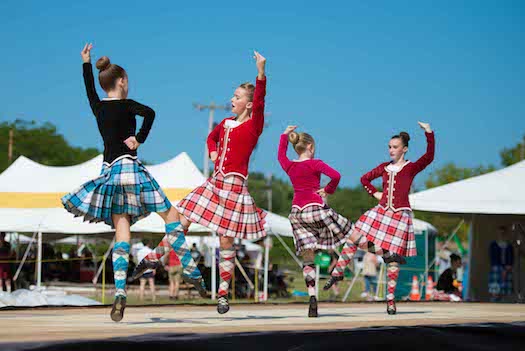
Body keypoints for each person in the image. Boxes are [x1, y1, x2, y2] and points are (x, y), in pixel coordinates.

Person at [61, 44, 205, 322]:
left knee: (122, 232)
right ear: (123, 82)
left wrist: (86, 63)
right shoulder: (128, 104)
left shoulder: (98, 107)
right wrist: (140, 138)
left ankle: (119, 292)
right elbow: (150, 112)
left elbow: (89, 89)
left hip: (110, 173)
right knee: (171, 214)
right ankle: (189, 268)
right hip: (131, 168)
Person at [135, 51, 268, 314]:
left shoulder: (254, 125)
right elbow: (211, 137)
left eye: (238, 97)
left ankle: (222, 295)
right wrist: (213, 151)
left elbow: (262, 99)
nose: (232, 99)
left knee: (226, 241)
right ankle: (153, 258)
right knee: (180, 217)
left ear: (249, 105)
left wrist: (261, 72)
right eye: (233, 96)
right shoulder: (226, 123)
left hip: (234, 186)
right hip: (214, 182)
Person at [324, 122, 435, 315]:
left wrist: (429, 133)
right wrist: (375, 193)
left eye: (395, 147)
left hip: (400, 214)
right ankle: (338, 272)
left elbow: (429, 157)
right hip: (381, 211)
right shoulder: (384, 167)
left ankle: (390, 301)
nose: (391, 150)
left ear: (405, 149)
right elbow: (364, 179)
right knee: (354, 237)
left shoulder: (410, 168)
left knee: (392, 261)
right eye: (389, 147)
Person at [278, 125, 352, 317]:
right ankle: (384, 254)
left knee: (308, 257)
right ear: (310, 146)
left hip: (297, 213)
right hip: (315, 209)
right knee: (350, 232)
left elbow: (280, 156)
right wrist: (328, 190)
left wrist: (284, 135)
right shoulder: (315, 163)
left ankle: (312, 297)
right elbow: (336, 176)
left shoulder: (290, 165)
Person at [489, 226, 514, 301]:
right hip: (496, 269)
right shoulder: (493, 245)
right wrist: (500, 269)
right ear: (497, 233)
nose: (501, 234)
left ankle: (503, 306)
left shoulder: (509, 246)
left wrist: (507, 268)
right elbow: (492, 258)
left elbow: (511, 259)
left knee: (504, 291)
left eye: (503, 233)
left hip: (507, 269)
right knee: (495, 290)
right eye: (500, 232)